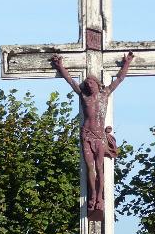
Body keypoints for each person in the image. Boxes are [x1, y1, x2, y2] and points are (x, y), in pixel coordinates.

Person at [52, 51, 133, 213]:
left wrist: (126, 64)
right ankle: (92, 196)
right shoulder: (83, 97)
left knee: (99, 167)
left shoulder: (105, 94)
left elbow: (119, 79)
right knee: (90, 168)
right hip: (87, 135)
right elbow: (71, 82)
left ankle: (99, 198)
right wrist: (61, 67)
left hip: (99, 137)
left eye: (91, 82)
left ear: (97, 84)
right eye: (87, 83)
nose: (89, 84)